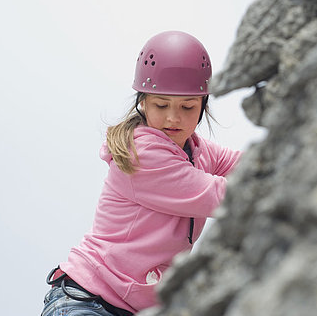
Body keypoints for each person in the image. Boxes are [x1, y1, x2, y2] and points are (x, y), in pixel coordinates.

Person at [41, 31, 242, 316]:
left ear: (202, 107)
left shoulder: (198, 151)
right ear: (143, 102)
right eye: (161, 105)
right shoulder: (141, 153)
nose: (173, 117)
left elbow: (251, 164)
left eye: (187, 107)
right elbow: (222, 196)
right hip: (85, 303)